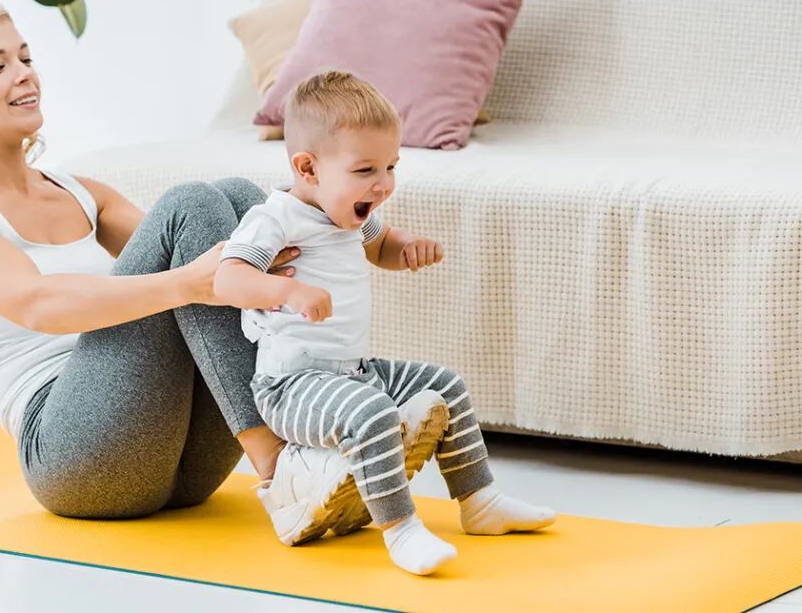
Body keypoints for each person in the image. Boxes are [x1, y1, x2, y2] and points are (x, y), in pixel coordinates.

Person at [0, 0, 426, 535]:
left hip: (181, 461)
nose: (24, 73)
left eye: (26, 58)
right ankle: (280, 467)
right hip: (76, 457)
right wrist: (190, 283)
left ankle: (322, 418)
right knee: (191, 205)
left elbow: (202, 247)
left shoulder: (81, 194)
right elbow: (39, 305)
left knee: (240, 202)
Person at [214, 71, 558, 576]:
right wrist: (288, 291)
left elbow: (382, 247)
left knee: (446, 386)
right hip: (291, 386)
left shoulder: (350, 215)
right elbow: (228, 280)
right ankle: (400, 529)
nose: (384, 183)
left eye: (391, 166)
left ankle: (480, 501)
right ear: (308, 168)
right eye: (366, 169)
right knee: (373, 414)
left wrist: (408, 248)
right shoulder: (276, 219)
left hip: (354, 372)